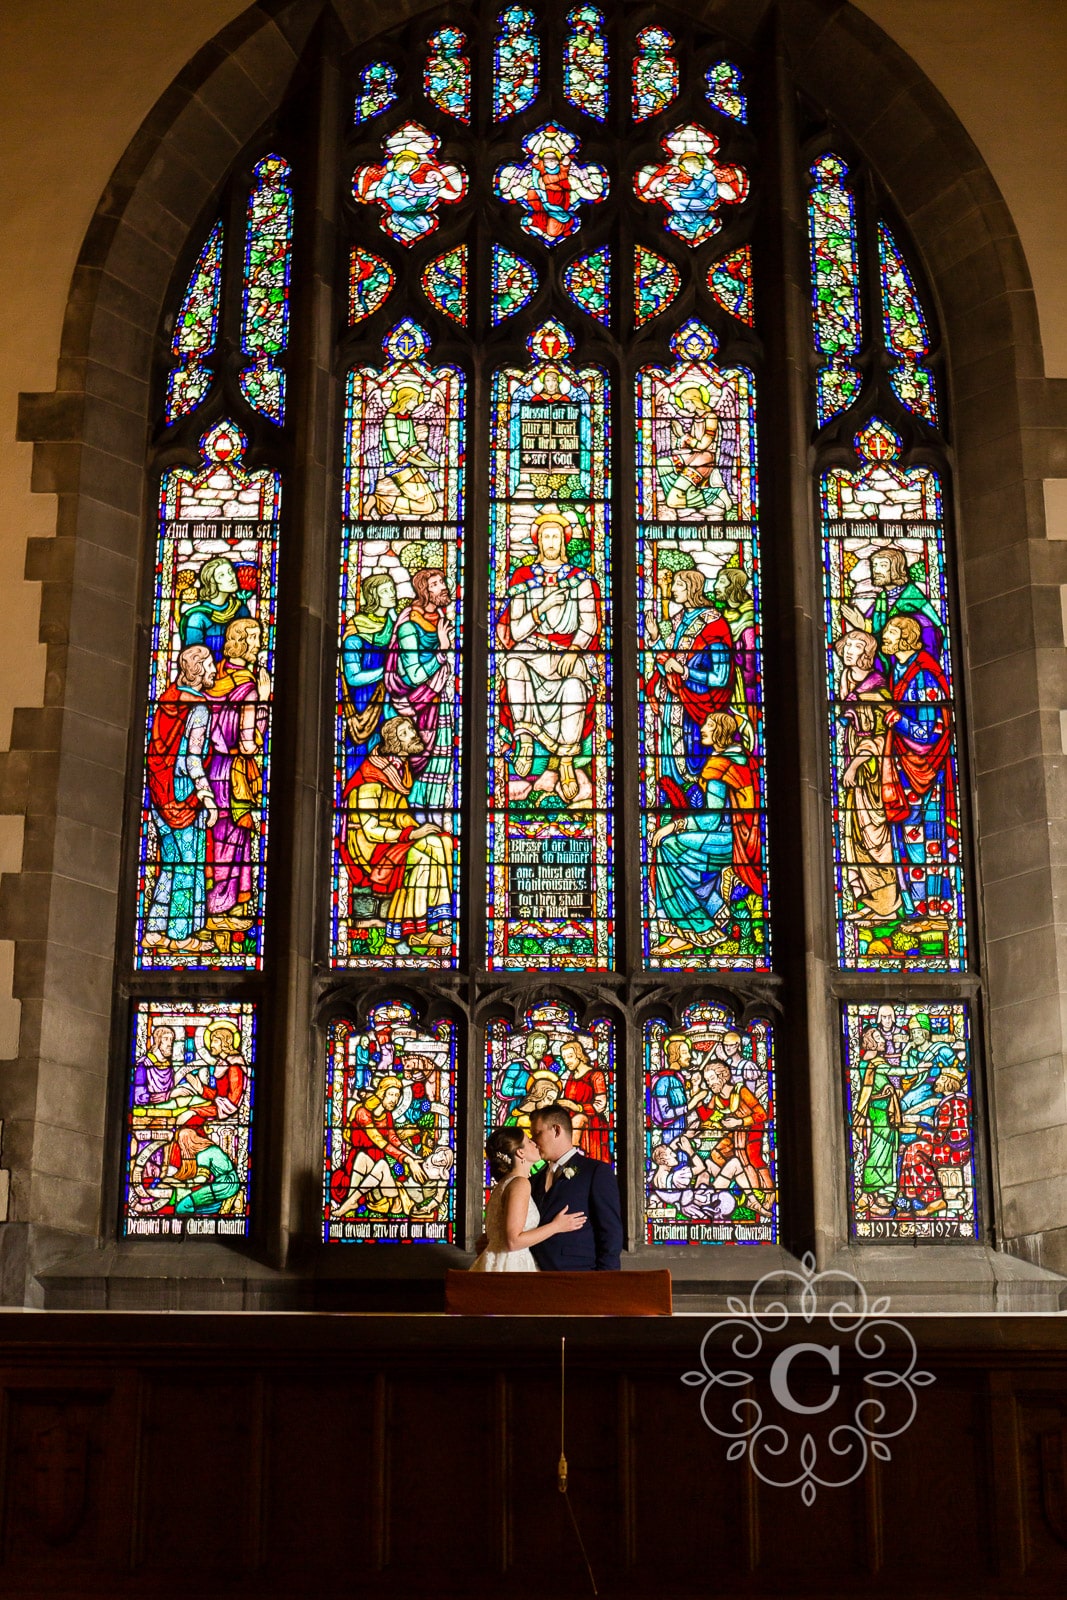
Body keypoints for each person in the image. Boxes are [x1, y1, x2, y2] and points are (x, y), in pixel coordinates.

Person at [497, 511, 601, 805]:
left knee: (575, 688)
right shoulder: (523, 579)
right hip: (531, 650)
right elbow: (515, 630)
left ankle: (567, 759)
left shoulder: (581, 581)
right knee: (514, 663)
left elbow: (589, 624)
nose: (551, 541)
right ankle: (525, 737)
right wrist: (542, 607)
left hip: (568, 654)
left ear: (564, 541)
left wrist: (575, 649)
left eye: (556, 536)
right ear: (537, 541)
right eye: (546, 536)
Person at [340, 714, 454, 952]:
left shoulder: (398, 771)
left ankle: (430, 923)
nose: (413, 734)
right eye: (405, 733)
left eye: (410, 729)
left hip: (390, 839)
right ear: (393, 743)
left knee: (440, 843)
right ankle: (413, 931)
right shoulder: (371, 777)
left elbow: (399, 814)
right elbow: (370, 829)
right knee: (421, 854)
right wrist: (410, 835)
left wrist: (417, 829)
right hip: (366, 848)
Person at [142, 645, 218, 954]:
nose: (214, 669)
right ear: (198, 671)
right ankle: (179, 934)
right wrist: (206, 795)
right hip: (184, 795)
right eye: (210, 665)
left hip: (160, 794)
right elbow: (192, 758)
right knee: (187, 865)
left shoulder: (167, 699)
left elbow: (157, 750)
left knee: (170, 865)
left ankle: (154, 931)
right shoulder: (197, 708)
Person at [881, 614, 957, 921]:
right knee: (907, 840)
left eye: (889, 632)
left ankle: (934, 912)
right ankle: (916, 910)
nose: (883, 636)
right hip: (904, 770)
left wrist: (896, 720)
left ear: (907, 639)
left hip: (924, 772)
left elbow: (929, 732)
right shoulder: (900, 670)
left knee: (926, 842)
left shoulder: (923, 675)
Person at [204, 616, 270, 935]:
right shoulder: (247, 689)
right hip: (235, 777)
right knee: (233, 840)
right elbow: (247, 744)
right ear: (243, 641)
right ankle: (221, 909)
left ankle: (218, 909)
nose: (260, 644)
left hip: (213, 769)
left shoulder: (215, 676)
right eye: (256, 638)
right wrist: (265, 701)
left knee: (217, 838)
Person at [833, 628, 900, 921]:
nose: (849, 650)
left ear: (867, 654)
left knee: (874, 835)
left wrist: (854, 765)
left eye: (857, 646)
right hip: (854, 768)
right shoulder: (846, 680)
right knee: (856, 836)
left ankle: (888, 904)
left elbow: (878, 735)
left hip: (870, 773)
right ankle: (872, 902)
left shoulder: (876, 688)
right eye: (847, 645)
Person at [382, 567, 455, 814]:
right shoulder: (409, 626)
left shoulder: (440, 620)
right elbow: (414, 676)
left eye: (441, 581)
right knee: (421, 765)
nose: (442, 587)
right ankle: (414, 818)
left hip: (437, 701)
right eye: (435, 584)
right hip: (415, 705)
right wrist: (442, 650)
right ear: (424, 591)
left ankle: (432, 821)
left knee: (441, 764)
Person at [470, 1127, 586, 1272]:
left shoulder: (504, 1184)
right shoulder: (520, 1183)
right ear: (520, 1152)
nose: (536, 1143)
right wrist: (557, 1226)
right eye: (529, 1141)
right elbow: (513, 1241)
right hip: (511, 1266)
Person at [527, 1104, 623, 1271]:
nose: (534, 1142)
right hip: (536, 1274)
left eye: (537, 1133)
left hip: (580, 1272)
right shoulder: (534, 1180)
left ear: (556, 1130)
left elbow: (611, 1232)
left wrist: (607, 1280)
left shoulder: (595, 1172)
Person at [340, 570, 398, 773]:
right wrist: (387, 671)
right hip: (363, 702)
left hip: (391, 701)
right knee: (363, 752)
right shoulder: (356, 631)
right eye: (385, 590)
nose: (392, 593)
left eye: (392, 588)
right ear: (373, 596)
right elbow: (353, 677)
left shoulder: (395, 625)